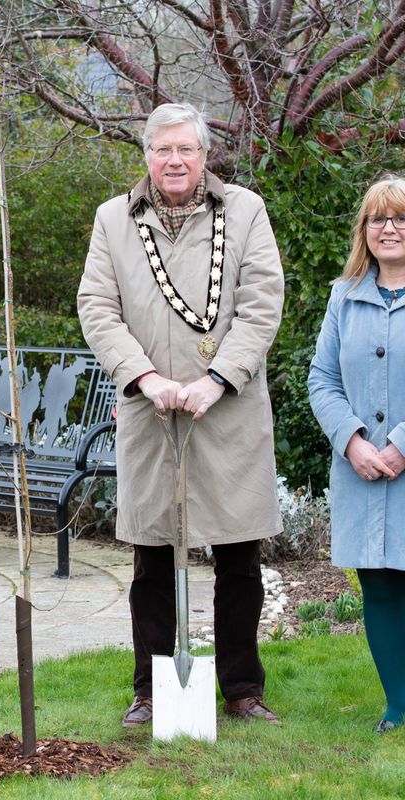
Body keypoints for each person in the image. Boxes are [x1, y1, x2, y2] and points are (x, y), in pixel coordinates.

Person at [77, 103, 284, 728]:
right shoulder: (114, 219)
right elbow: (97, 305)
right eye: (162, 150)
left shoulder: (244, 211)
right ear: (146, 155)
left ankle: (243, 689)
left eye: (186, 151)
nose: (174, 161)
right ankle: (151, 688)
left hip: (230, 413)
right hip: (151, 413)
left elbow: (262, 300)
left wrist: (219, 378)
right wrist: (144, 377)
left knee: (239, 557)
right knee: (152, 560)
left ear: (204, 155)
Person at [308, 176, 405, 734]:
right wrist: (352, 440)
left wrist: (400, 445)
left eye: (398, 217)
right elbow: (322, 378)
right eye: (376, 219)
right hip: (361, 470)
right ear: (364, 231)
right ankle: (397, 707)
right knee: (381, 587)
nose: (387, 228)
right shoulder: (343, 295)